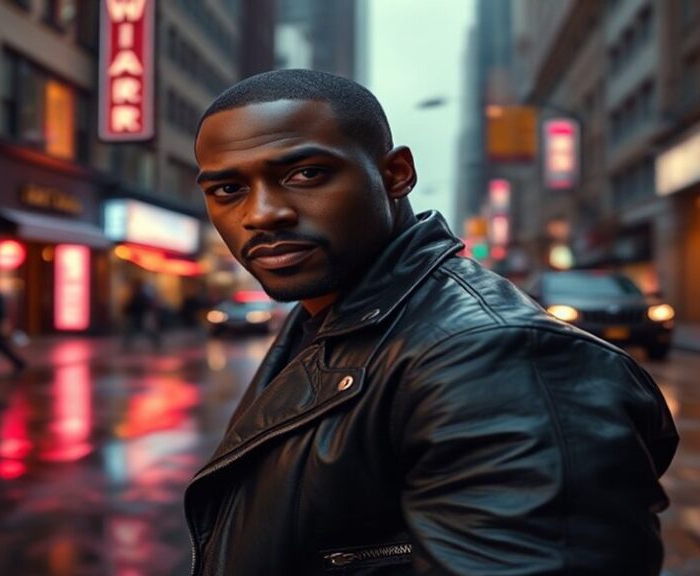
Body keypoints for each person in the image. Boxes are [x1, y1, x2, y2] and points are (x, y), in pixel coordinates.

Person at [183, 69, 678, 576]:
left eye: (306, 174)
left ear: (396, 174)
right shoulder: (323, 318)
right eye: (228, 188)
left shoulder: (495, 359)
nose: (262, 214)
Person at [122, 278, 161, 350]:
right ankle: (127, 344)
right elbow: (131, 306)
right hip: (137, 316)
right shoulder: (136, 296)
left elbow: (142, 305)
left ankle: (156, 341)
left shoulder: (141, 296)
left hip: (141, 315)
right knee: (131, 331)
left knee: (146, 330)